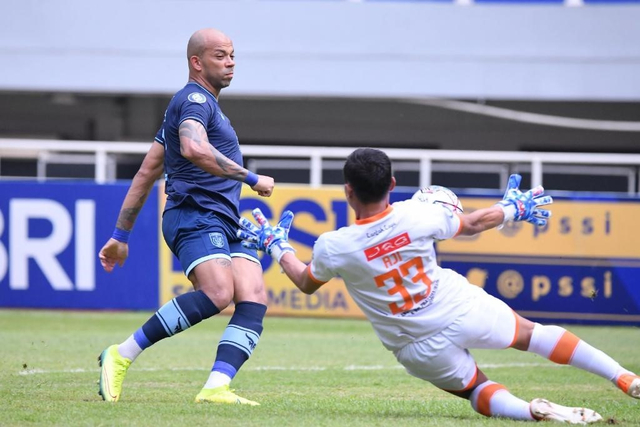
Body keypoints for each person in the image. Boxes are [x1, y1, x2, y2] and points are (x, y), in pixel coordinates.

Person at [238, 147, 640, 423]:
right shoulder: (419, 214)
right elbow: (471, 224)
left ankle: (528, 411)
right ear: (392, 184)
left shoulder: (334, 246)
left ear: (347, 190)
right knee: (533, 335)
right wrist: (512, 208)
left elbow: (306, 282)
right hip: (455, 305)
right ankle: (624, 378)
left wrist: (277, 246)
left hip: (413, 343)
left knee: (475, 389)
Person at [97, 28, 274, 405]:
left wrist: (120, 235)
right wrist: (252, 177)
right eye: (221, 55)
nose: (231, 62)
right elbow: (194, 148)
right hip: (195, 215)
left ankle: (216, 387)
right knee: (217, 293)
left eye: (232, 55)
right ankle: (121, 354)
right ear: (197, 62)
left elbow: (146, 172)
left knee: (254, 295)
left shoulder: (198, 106)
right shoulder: (194, 99)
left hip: (225, 219)